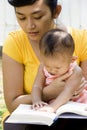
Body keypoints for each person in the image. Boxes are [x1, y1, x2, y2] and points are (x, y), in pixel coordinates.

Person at [2, 0, 87, 130]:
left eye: (37, 17)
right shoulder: (15, 43)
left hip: (74, 115)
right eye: (21, 17)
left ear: (56, 11)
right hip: (32, 118)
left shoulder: (81, 40)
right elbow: (12, 104)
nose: (29, 26)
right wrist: (47, 93)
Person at [31, 28, 87, 112]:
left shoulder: (75, 71)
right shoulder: (42, 67)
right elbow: (37, 86)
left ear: (72, 60)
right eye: (48, 65)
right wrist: (36, 100)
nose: (52, 70)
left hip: (79, 103)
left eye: (58, 67)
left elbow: (68, 91)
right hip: (55, 104)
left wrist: (53, 107)